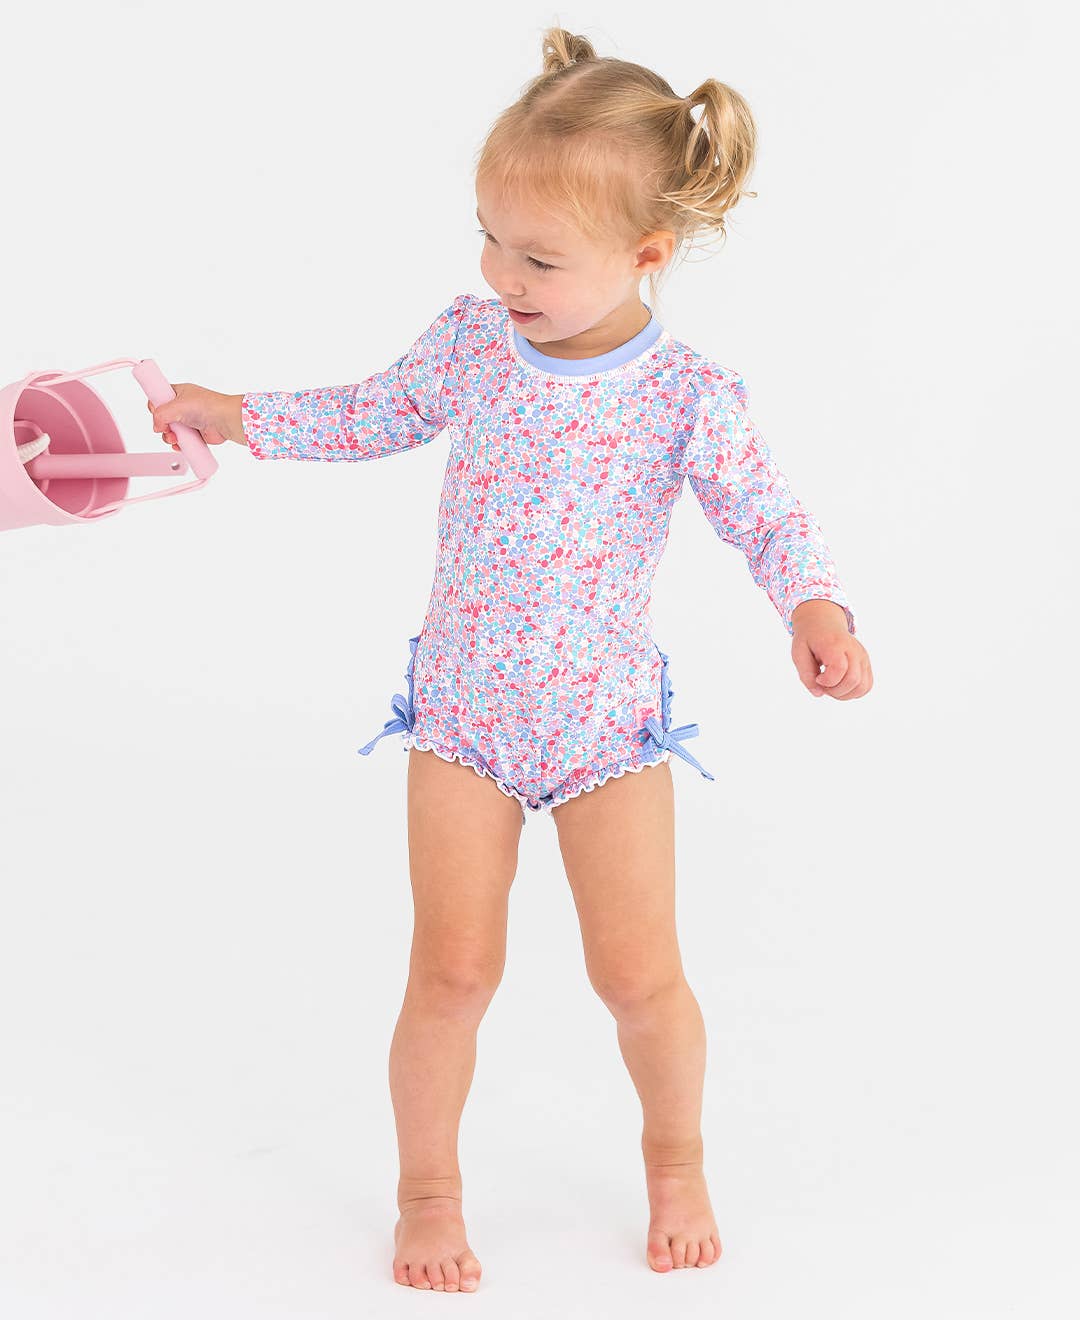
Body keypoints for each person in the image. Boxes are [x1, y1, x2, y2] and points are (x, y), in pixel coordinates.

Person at [148, 26, 873, 1293]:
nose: (501, 274)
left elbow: (766, 515)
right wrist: (239, 417)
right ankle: (427, 1192)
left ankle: (676, 1158)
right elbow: (368, 414)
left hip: (606, 731)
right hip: (463, 719)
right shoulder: (473, 344)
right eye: (489, 238)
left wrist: (815, 609)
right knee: (451, 973)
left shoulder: (686, 395)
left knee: (639, 979)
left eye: (539, 257)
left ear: (647, 254)